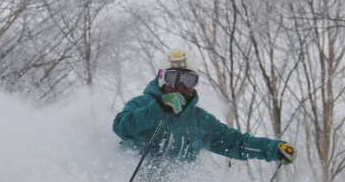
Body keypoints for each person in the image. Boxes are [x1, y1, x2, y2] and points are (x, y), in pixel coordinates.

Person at [112, 48, 296, 171]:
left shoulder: (200, 121)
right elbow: (121, 127)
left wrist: (273, 149)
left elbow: (236, 144)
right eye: (173, 78)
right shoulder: (142, 104)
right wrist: (157, 108)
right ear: (161, 79)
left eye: (188, 80)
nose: (180, 87)